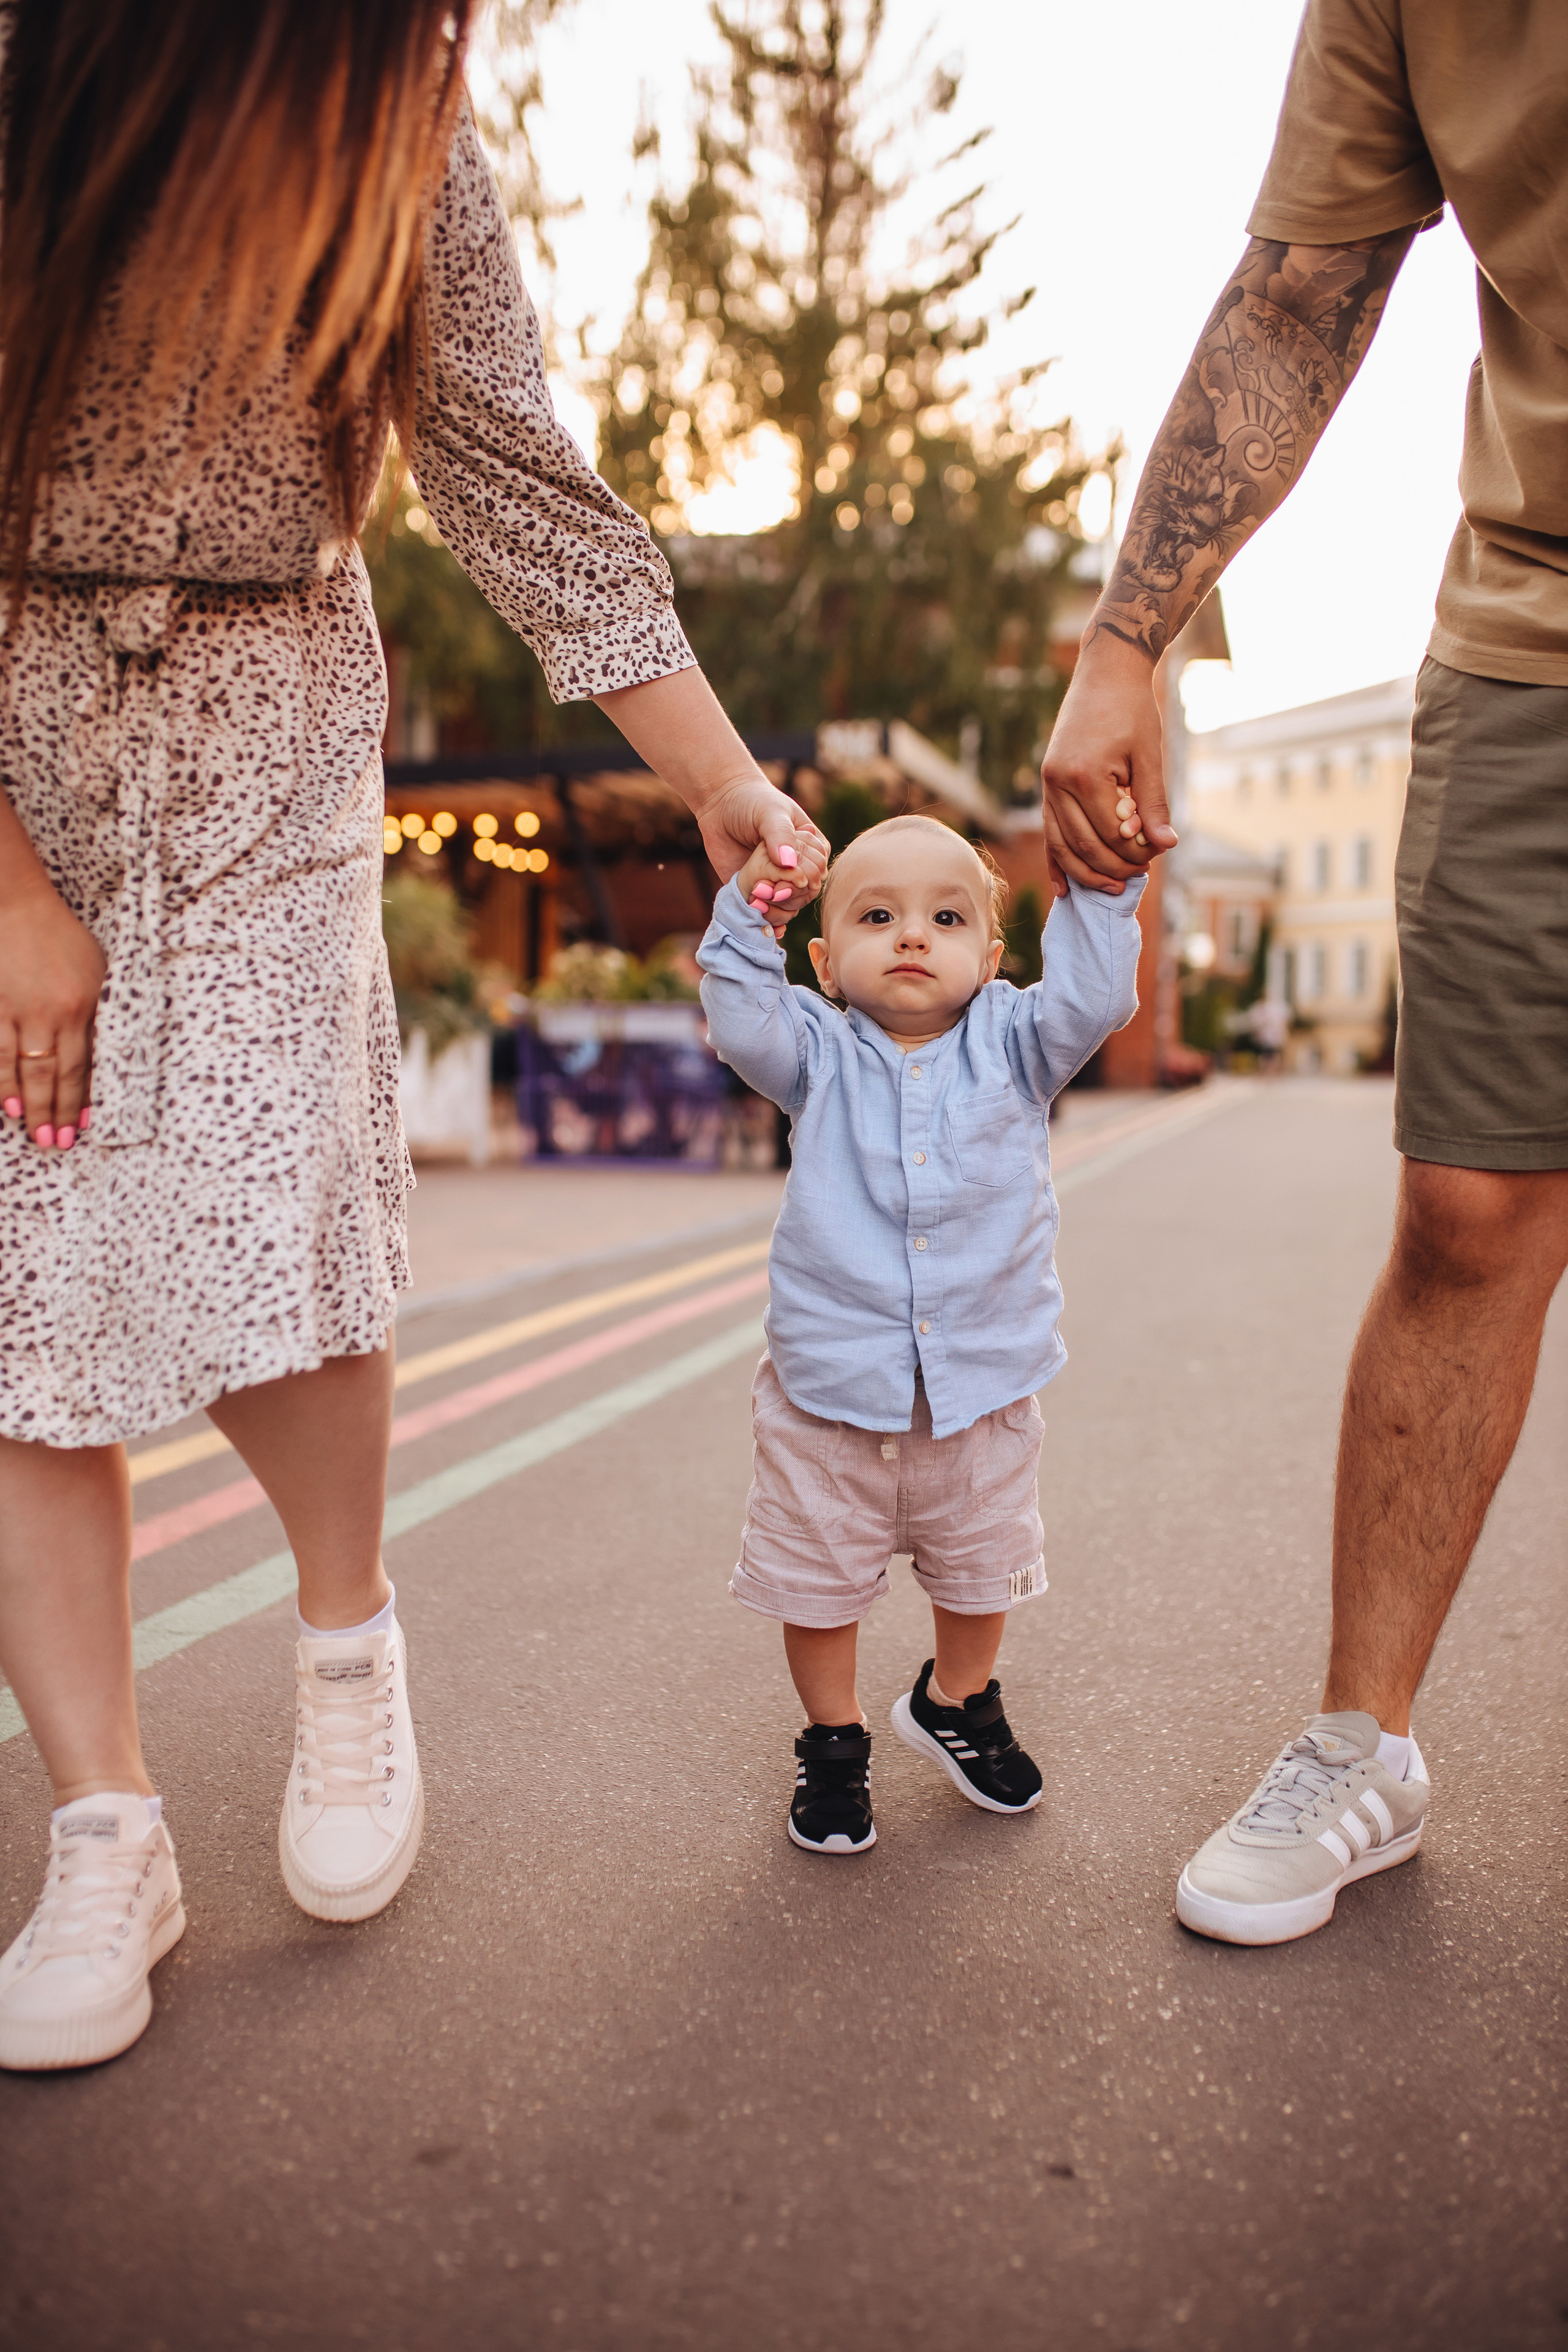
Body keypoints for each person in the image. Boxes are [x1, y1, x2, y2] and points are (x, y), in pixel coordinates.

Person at [0, 0, 824, 2071]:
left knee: (280, 1223)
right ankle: (106, 1827)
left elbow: (516, 477)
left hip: (276, 704)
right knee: (27, 1292)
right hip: (19, 726)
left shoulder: (397, 120)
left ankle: (348, 1639)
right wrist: (12, 898)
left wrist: (719, 777)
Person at [1040, 0, 1568, 1943]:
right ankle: (1365, 1746)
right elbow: (1298, 291)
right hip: (1546, 625)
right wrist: (1129, 640)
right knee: (1469, 1203)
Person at [696, 815, 1145, 1853]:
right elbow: (739, 1015)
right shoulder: (814, 1050)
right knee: (817, 1583)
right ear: (825, 959)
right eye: (877, 916)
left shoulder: (1019, 1044)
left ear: (991, 959)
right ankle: (835, 1740)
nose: (911, 937)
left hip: (980, 1391)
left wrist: (1098, 893)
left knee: (983, 1569)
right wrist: (753, 911)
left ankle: (955, 1698)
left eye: (945, 918)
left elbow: (1093, 997)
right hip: (829, 1399)